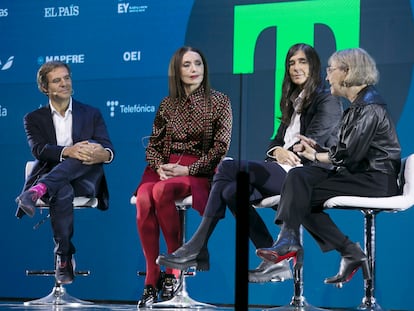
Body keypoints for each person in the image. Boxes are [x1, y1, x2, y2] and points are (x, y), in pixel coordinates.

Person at [157, 43, 343, 283]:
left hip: (305, 175)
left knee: (226, 166)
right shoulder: (294, 100)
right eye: (291, 63)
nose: (295, 68)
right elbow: (274, 144)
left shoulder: (326, 100)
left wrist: (281, 152)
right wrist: (277, 151)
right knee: (232, 191)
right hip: (285, 169)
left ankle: (198, 246)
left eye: (302, 62)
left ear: (314, 66)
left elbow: (309, 144)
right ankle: (272, 259)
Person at [256, 48, 401, 286]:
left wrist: (318, 155)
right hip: (359, 174)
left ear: (347, 72)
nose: (326, 77)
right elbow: (346, 151)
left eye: (331, 70)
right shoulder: (357, 106)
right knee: (298, 183)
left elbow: (349, 155)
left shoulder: (369, 107)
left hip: (374, 180)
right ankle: (339, 250)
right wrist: (315, 152)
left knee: (299, 192)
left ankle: (296, 242)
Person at [134, 46, 232, 308]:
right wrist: (160, 165)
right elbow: (153, 145)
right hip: (164, 167)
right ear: (177, 70)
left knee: (161, 192)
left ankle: (173, 269)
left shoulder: (220, 101)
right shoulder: (167, 104)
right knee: (144, 197)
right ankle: (151, 276)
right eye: (187, 65)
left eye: (197, 64)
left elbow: (220, 148)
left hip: (198, 169)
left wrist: (187, 170)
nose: (193, 70)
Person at [15, 61, 115, 285]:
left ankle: (36, 190)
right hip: (58, 180)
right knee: (62, 189)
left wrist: (101, 154)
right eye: (57, 80)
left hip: (86, 178)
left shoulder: (91, 113)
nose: (64, 83)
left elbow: (109, 149)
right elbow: (39, 149)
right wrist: (68, 151)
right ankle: (64, 255)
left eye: (67, 78)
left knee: (86, 149)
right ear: (45, 88)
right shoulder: (33, 118)